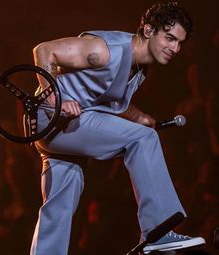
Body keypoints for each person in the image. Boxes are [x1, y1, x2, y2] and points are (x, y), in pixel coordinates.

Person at [30, 1, 205, 254]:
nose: (175, 48)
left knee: (59, 205)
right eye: (169, 38)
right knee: (143, 139)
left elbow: (107, 97)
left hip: (61, 128)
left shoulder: (141, 67)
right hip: (54, 118)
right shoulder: (105, 50)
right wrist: (56, 99)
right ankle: (157, 231)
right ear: (147, 31)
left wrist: (138, 115)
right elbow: (44, 51)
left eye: (179, 42)